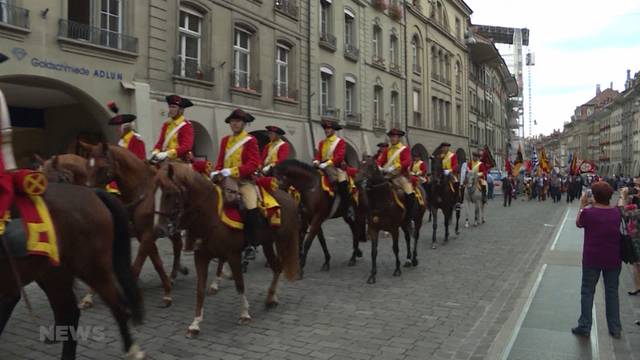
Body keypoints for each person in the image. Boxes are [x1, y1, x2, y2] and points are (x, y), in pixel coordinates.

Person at [572, 181, 622, 339]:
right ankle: (614, 328)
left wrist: (581, 204)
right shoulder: (616, 212)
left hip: (592, 258)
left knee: (587, 292)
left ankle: (585, 326)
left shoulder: (589, 213)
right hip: (613, 258)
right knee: (612, 293)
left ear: (594, 196)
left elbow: (578, 223)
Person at [211, 108, 261, 258]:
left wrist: (232, 171)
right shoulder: (225, 140)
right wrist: (217, 171)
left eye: (238, 121)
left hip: (243, 182)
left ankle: (251, 244)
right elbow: (220, 160)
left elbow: (253, 164)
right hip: (225, 181)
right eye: (233, 121)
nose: (235, 124)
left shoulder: (251, 140)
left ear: (244, 124)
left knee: (251, 206)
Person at [313, 119, 355, 221]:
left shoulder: (340, 142)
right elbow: (319, 156)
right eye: (325, 128)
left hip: (336, 168)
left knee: (342, 182)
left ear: (333, 130)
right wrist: (316, 161)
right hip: (322, 167)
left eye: (329, 128)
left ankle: (348, 207)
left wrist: (327, 163)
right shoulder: (322, 143)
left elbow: (339, 157)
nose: (327, 130)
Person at [376, 128, 415, 221]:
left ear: (399, 138)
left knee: (409, 193)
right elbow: (380, 160)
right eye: (391, 137)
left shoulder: (404, 149)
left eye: (394, 137)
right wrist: (378, 166)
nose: (392, 138)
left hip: (400, 176)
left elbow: (407, 161)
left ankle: (409, 217)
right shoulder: (387, 150)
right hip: (388, 176)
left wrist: (395, 166)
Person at [105, 110, 147, 194]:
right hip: (119, 180)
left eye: (118, 127)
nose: (116, 130)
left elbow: (140, 163)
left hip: (130, 181)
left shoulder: (136, 141)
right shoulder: (121, 142)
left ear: (126, 127)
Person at [151, 95, 194, 163]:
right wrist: (155, 152)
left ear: (181, 110)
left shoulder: (186, 125)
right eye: (170, 107)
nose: (171, 109)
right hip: (164, 159)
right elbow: (160, 142)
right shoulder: (166, 124)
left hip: (179, 160)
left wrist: (167, 154)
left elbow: (186, 146)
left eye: (174, 107)